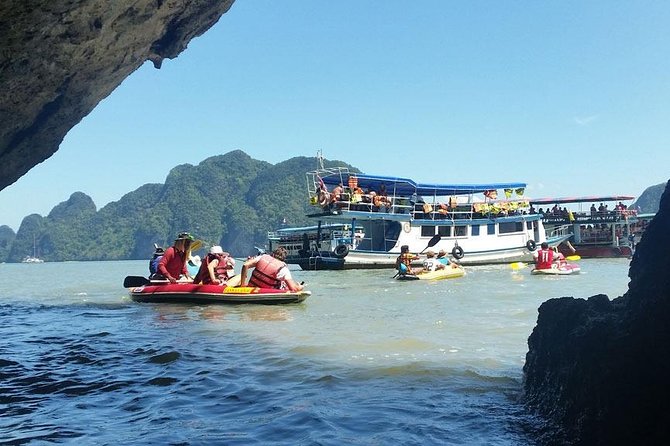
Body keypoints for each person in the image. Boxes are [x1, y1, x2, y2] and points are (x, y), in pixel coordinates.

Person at [239, 247, 304, 291]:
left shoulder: (262, 257)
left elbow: (245, 265)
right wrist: (299, 287)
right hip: (266, 292)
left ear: (272, 254)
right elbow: (293, 288)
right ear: (284, 259)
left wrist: (242, 285)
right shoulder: (283, 268)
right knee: (284, 283)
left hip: (251, 289)